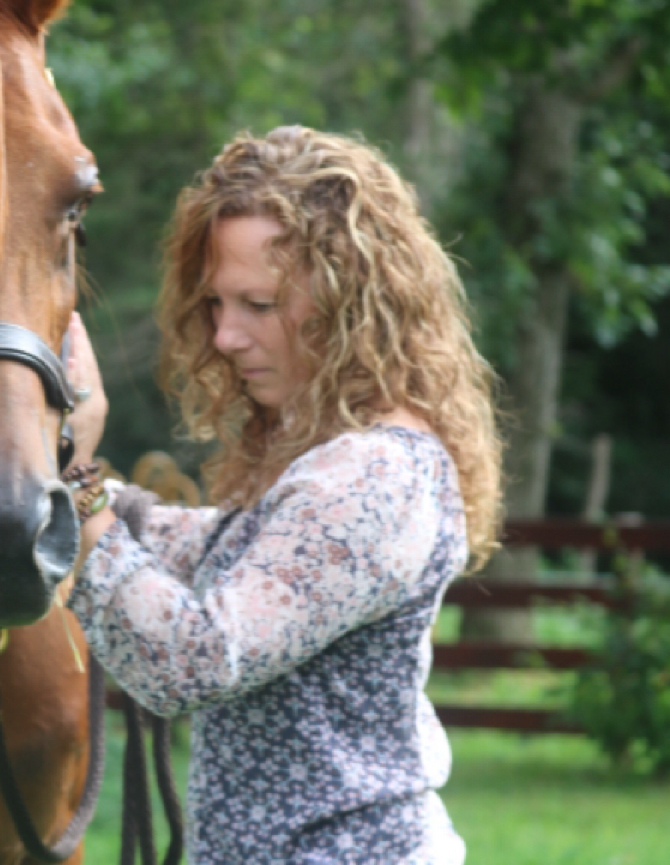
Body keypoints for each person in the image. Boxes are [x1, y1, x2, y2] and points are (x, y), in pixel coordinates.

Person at [62, 125, 502, 864]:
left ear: (351, 300)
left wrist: (77, 489)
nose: (225, 336)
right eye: (216, 303)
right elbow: (212, 548)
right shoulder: (335, 457)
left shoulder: (373, 475)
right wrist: (55, 479)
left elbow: (194, 661)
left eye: (259, 305)